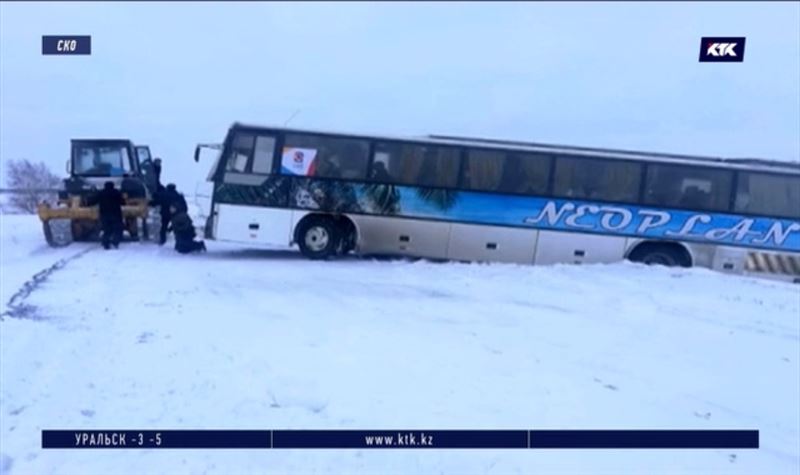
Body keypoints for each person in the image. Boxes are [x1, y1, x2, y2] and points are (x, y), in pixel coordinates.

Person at [86, 181, 125, 250]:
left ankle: (106, 244)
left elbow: (93, 201)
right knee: (117, 229)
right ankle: (115, 242)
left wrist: (87, 203)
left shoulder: (101, 193)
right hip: (116, 214)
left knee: (107, 230)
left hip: (104, 214)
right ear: (113, 186)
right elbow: (123, 202)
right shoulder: (116, 192)